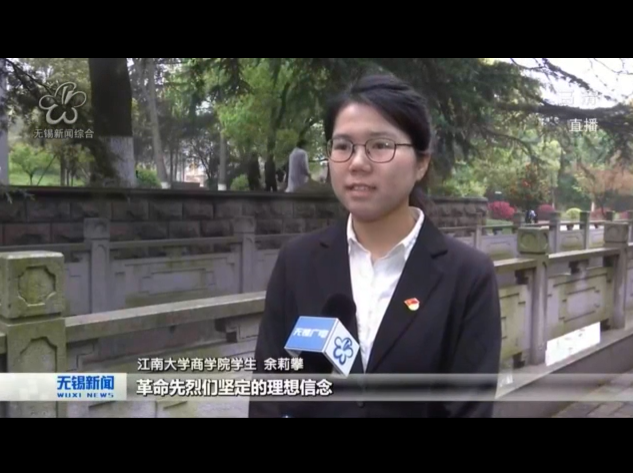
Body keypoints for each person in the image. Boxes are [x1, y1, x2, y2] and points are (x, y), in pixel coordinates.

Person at [248, 74, 502, 418]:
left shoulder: (468, 276)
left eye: (380, 145)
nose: (357, 162)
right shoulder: (297, 262)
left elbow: (468, 409)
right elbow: (269, 393)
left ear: (421, 162)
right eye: (343, 146)